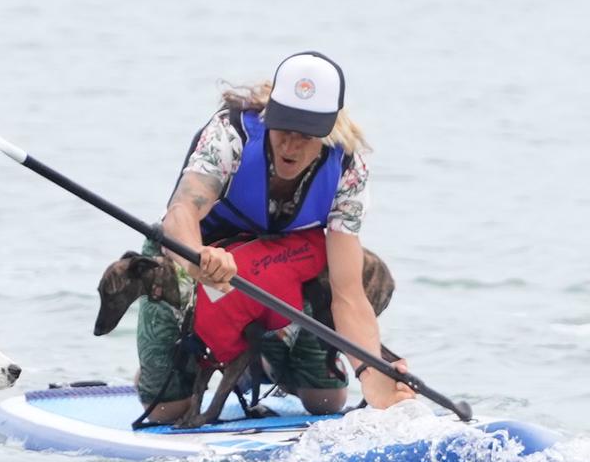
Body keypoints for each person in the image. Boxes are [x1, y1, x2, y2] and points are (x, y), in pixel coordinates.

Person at [114, 51, 408, 424]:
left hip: (276, 265)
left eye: (307, 135)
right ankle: (175, 369)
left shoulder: (348, 168)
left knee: (326, 402)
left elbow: (347, 293)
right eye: (284, 128)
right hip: (195, 256)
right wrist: (197, 259)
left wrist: (372, 375)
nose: (290, 146)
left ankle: (267, 357)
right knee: (165, 411)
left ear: (330, 129)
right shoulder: (229, 134)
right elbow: (182, 210)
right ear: (271, 115)